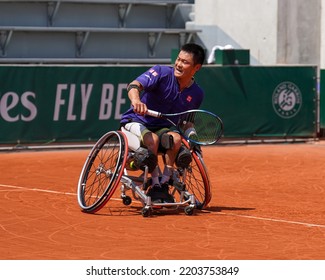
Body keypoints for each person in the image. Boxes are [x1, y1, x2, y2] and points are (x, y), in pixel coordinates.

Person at [120, 43, 205, 203]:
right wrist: (136, 100)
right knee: (154, 140)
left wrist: (192, 137)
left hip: (162, 128)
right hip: (135, 122)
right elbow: (134, 85)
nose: (179, 64)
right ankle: (156, 182)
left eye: (185, 62)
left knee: (177, 140)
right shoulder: (161, 72)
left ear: (196, 67)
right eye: (178, 60)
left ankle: (163, 182)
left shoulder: (197, 94)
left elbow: (187, 123)